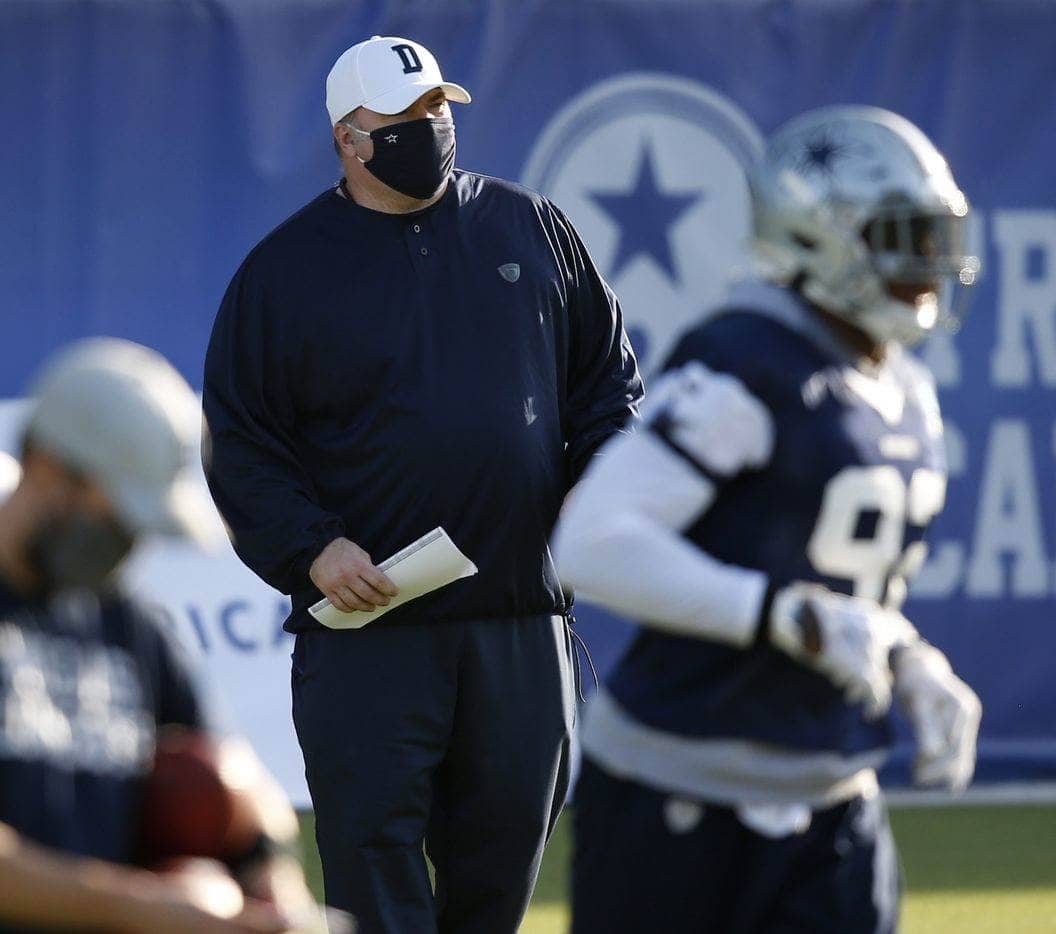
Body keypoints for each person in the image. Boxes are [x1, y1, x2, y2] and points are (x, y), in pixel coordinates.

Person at [201, 35, 641, 934]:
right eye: (403, 117)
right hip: (371, 631)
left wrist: (598, 498)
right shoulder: (285, 271)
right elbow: (240, 442)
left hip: (520, 619)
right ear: (349, 139)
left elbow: (607, 389)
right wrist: (311, 547)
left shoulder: (532, 228)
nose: (430, 129)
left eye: (438, 108)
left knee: (505, 854)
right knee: (372, 864)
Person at [552, 105, 983, 934]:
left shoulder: (906, 393)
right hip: (678, 790)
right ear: (821, 235)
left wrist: (911, 657)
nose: (929, 264)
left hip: (830, 794)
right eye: (902, 235)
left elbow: (843, 594)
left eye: (936, 237)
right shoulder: (748, 364)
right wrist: (782, 617)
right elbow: (593, 544)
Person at [0, 338, 312, 933]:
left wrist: (273, 884)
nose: (127, 543)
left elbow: (233, 781)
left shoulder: (128, 625)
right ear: (46, 465)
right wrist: (138, 908)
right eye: (117, 514)